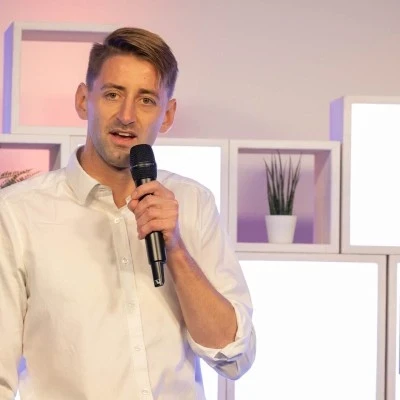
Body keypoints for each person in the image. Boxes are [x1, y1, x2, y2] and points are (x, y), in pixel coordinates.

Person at [0, 27, 256, 400]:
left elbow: (234, 356)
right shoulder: (17, 213)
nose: (126, 116)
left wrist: (176, 249)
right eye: (112, 94)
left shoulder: (194, 203)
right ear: (83, 100)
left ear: (167, 115)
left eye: (146, 100)